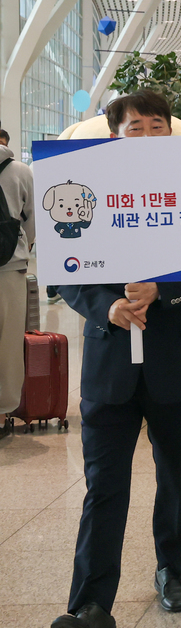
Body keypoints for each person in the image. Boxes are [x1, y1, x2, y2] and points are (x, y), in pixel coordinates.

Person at [50, 90, 181, 628]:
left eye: (157, 125)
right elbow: (66, 274)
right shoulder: (83, 184)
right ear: (115, 135)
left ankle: (171, 570)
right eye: (135, 128)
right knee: (104, 486)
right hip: (109, 361)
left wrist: (164, 290)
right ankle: (92, 605)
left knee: (176, 474)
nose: (147, 136)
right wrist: (107, 305)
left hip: (174, 357)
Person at [0, 126, 35, 416]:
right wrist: (24, 250)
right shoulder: (20, 170)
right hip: (9, 265)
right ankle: (2, 412)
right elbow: (32, 223)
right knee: (7, 343)